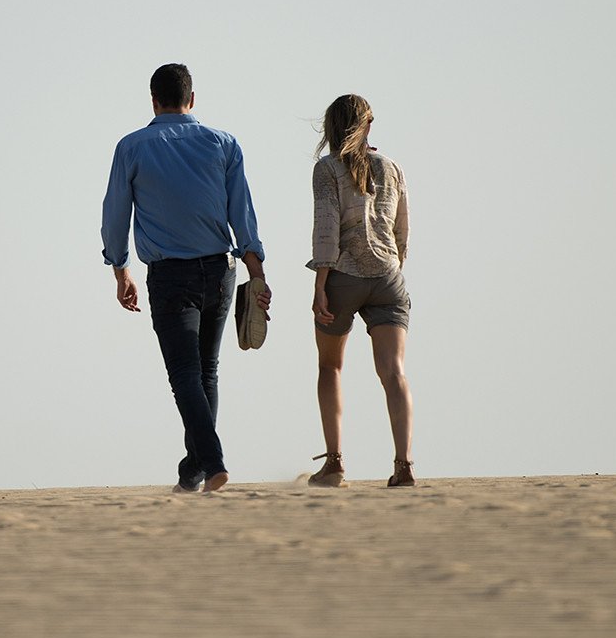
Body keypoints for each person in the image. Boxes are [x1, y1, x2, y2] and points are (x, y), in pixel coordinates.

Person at [101, 63, 270, 493]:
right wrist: (258, 272)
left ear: (154, 100)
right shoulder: (224, 143)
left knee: (184, 373)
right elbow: (243, 214)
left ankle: (211, 463)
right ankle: (194, 470)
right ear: (192, 100)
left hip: (170, 275)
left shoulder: (132, 147)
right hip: (220, 272)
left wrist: (121, 271)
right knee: (205, 370)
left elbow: (115, 215)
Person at [305, 94, 415, 488]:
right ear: (367, 125)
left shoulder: (327, 170)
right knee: (394, 373)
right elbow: (402, 228)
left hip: (344, 276)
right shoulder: (392, 167)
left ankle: (334, 464)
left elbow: (326, 228)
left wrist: (320, 286)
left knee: (330, 367)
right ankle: (404, 466)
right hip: (388, 276)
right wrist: (394, 265)